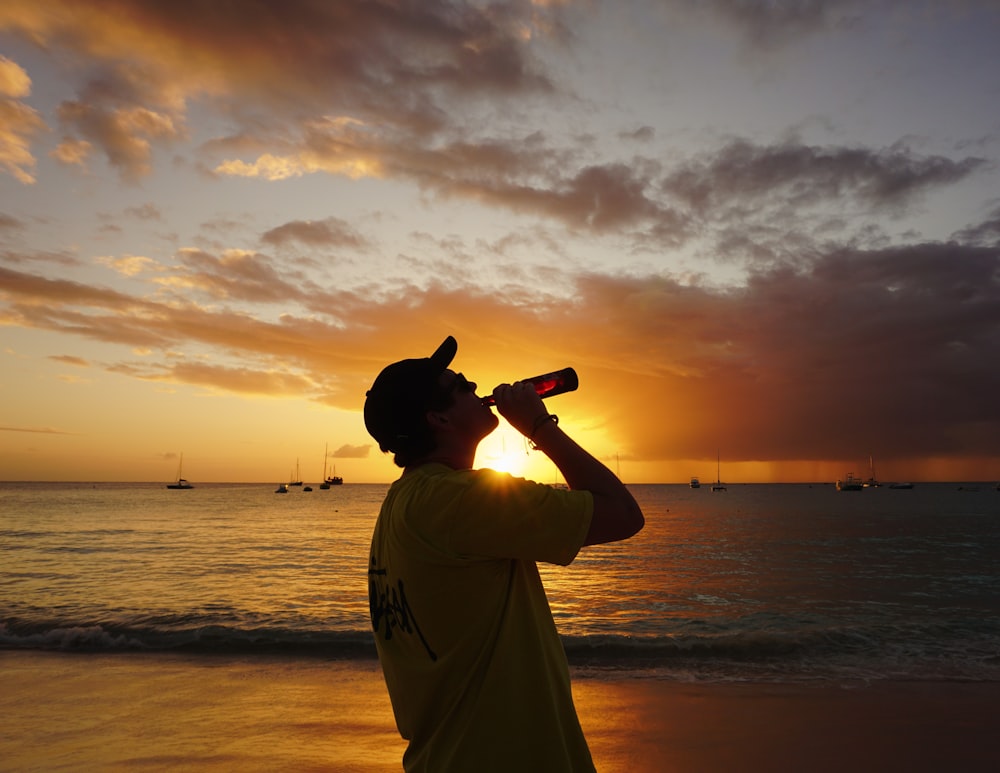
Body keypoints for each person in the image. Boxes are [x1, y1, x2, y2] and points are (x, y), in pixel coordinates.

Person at [364, 335, 644, 772]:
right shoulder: (460, 501)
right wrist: (539, 426)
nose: (473, 383)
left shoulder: (403, 504)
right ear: (437, 417)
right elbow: (623, 513)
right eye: (458, 385)